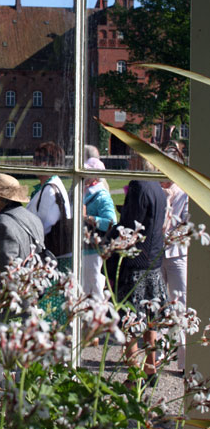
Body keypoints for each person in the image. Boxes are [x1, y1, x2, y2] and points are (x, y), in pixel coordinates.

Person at [0, 173, 44, 387]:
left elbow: (8, 268)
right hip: (30, 293)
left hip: (5, 301)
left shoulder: (2, 223)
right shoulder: (32, 218)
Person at [113, 153, 168, 384]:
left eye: (132, 159)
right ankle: (150, 367)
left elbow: (130, 224)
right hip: (153, 260)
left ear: (140, 162)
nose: (128, 162)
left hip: (136, 261)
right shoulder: (158, 187)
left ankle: (134, 375)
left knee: (130, 321)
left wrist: (113, 233)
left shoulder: (138, 185)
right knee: (150, 317)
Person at [161, 144, 188, 372]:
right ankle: (158, 354)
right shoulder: (159, 192)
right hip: (158, 254)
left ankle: (185, 360)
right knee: (159, 304)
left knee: (180, 304)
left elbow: (186, 226)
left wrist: (169, 206)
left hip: (178, 254)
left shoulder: (185, 194)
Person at [27, 142, 71, 269]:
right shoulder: (50, 186)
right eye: (35, 158)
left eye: (40, 159)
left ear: (51, 163)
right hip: (51, 255)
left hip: (51, 258)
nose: (35, 163)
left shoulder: (50, 190)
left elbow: (42, 227)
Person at [83, 157, 116, 299]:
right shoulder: (85, 191)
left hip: (96, 250)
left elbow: (110, 222)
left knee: (96, 286)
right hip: (85, 248)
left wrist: (87, 218)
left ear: (96, 175)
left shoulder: (102, 196)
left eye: (88, 171)